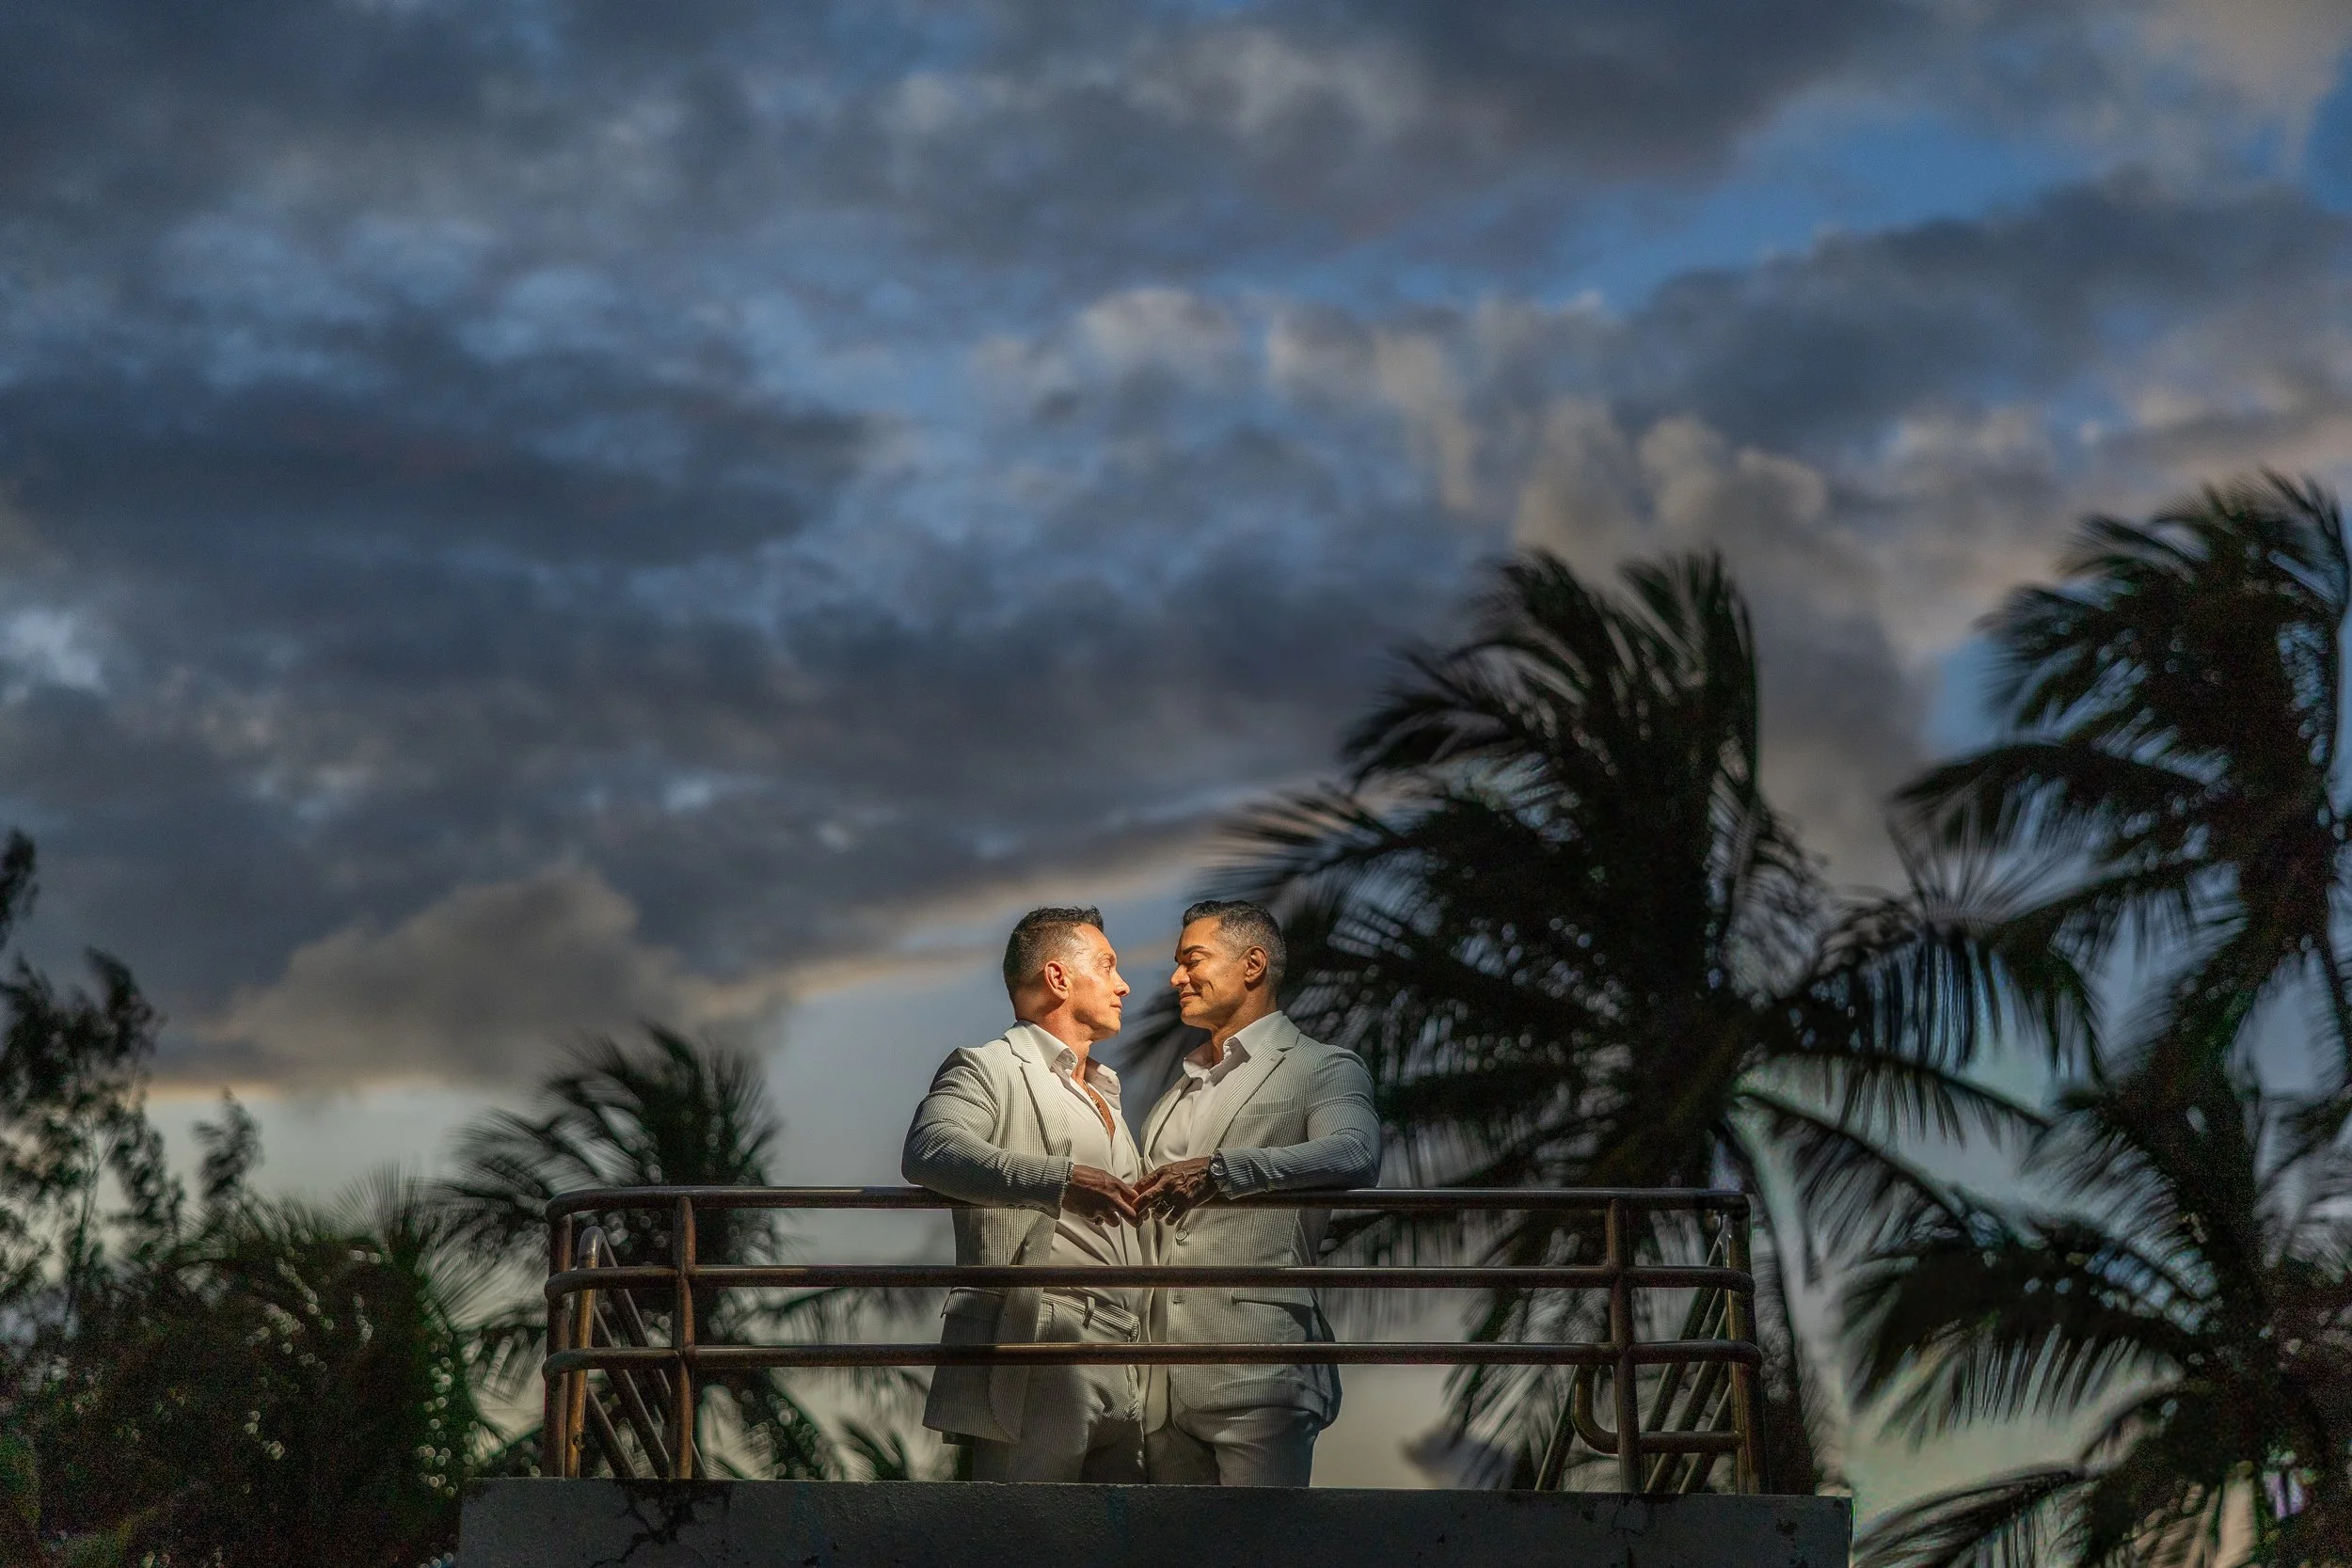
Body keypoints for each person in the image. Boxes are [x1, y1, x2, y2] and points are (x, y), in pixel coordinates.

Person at [1133, 898, 1381, 1486]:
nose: (1175, 977)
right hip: (1160, 1386)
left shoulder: (1323, 1066)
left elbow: (1356, 1152)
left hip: (1261, 1368)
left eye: (1192, 959)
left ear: (1252, 965)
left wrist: (1223, 1171)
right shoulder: (1178, 1093)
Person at [901, 906, 1149, 1481]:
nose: (1123, 983)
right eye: (1108, 965)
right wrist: (1060, 1181)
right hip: (1040, 1336)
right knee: (1031, 1542)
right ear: (1059, 978)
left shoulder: (1107, 1093)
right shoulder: (986, 1067)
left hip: (1131, 1348)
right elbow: (930, 1149)